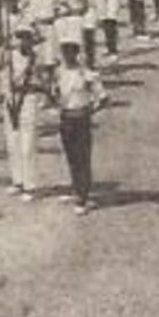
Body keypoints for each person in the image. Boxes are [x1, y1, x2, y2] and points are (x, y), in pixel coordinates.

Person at [53, 42, 106, 215]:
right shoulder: (59, 73)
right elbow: (55, 94)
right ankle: (77, 189)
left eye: (71, 52)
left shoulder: (86, 74)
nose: (67, 56)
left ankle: (83, 197)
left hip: (81, 118)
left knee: (83, 157)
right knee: (71, 157)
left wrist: (91, 110)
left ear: (76, 54)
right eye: (64, 52)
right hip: (66, 118)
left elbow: (103, 97)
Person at [4, 27, 45, 202]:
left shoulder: (37, 58)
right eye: (19, 38)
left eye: (26, 38)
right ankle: (17, 180)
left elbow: (43, 81)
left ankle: (30, 185)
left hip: (28, 98)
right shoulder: (10, 56)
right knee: (13, 141)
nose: (23, 41)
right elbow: (2, 74)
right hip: (11, 99)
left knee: (27, 144)